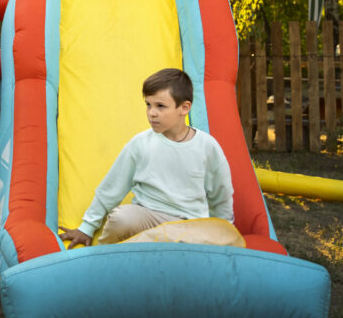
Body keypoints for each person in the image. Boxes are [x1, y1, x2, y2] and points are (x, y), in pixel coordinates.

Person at [58, 68, 233, 247]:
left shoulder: (207, 146)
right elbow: (111, 189)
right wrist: (87, 227)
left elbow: (221, 195)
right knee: (120, 218)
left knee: (201, 239)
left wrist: (224, 231)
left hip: (188, 224)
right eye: (148, 105)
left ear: (184, 108)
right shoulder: (141, 144)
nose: (151, 113)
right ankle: (104, 263)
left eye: (160, 106)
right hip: (149, 216)